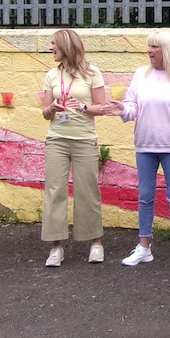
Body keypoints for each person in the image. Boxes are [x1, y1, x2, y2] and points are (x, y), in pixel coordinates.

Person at [104, 30, 170, 269]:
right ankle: (144, 247)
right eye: (149, 46)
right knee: (145, 197)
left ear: (167, 50)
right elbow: (132, 107)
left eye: (155, 47)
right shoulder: (141, 75)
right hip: (145, 144)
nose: (149, 51)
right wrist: (122, 109)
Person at [41, 29, 107, 267]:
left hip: (84, 139)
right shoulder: (51, 75)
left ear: (66, 46)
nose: (51, 48)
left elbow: (103, 107)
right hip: (57, 138)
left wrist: (83, 107)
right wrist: (54, 108)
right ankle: (56, 246)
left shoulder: (92, 73)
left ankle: (95, 242)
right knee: (55, 191)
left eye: (54, 44)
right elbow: (45, 112)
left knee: (87, 191)